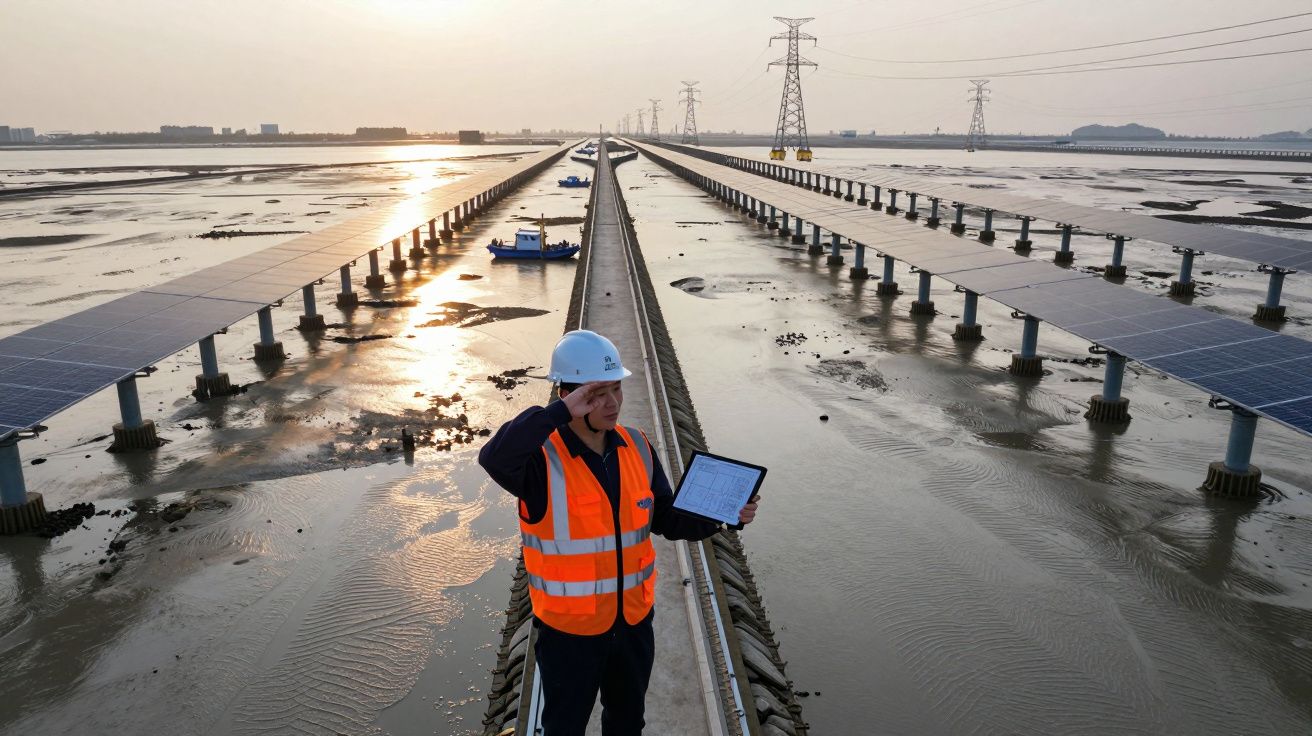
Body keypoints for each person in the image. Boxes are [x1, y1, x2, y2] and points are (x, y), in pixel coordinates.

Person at [479, 330, 759, 736]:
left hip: (633, 625)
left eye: (617, 389)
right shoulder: (540, 462)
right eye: (597, 394)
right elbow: (494, 457)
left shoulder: (637, 446)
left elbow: (667, 519)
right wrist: (558, 412)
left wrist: (724, 515)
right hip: (569, 634)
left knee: (627, 724)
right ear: (569, 397)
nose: (613, 403)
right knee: (563, 728)